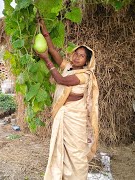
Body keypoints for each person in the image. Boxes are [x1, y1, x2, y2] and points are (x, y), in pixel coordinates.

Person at [36, 19, 99, 180]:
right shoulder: (68, 67)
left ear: (87, 61)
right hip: (64, 115)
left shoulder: (85, 75)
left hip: (75, 117)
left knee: (76, 152)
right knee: (62, 149)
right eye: (76, 54)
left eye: (82, 56)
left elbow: (62, 81)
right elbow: (52, 50)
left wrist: (46, 60)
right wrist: (45, 33)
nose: (77, 57)